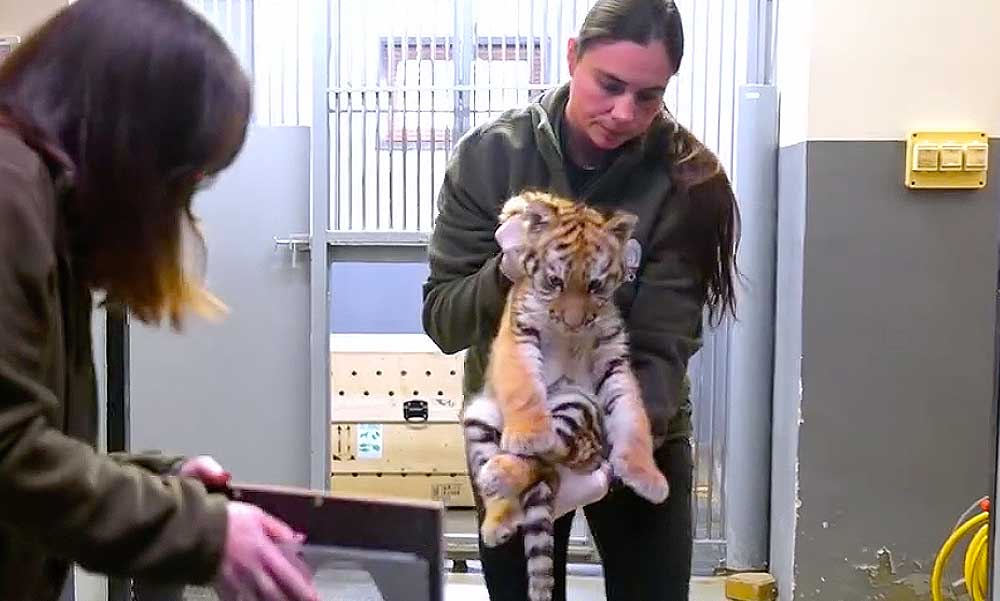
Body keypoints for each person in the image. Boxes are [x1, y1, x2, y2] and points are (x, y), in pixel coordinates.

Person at [0, 1, 319, 600]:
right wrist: (197, 529)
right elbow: (9, 454)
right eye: (187, 177)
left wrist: (159, 485)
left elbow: (32, 444)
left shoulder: (38, 206)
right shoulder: (8, 193)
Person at [421, 0, 740, 598]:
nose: (624, 113)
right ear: (573, 57)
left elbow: (663, 345)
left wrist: (605, 451)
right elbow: (443, 320)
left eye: (649, 96)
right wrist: (507, 272)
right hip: (520, 424)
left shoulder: (690, 181)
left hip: (633, 421)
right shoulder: (490, 157)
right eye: (609, 85)